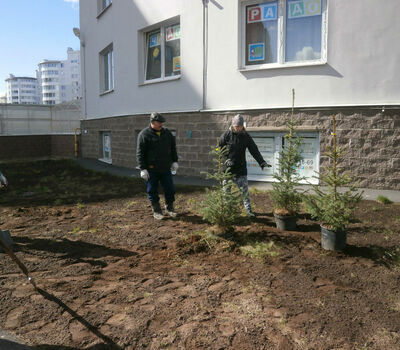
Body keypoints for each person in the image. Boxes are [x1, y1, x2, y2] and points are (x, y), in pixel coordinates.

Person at [219, 114, 271, 217]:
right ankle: (227, 211)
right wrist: (225, 159)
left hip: (240, 169)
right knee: (226, 193)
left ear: (243, 126)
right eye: (235, 126)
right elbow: (219, 149)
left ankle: (248, 211)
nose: (237, 128)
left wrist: (262, 162)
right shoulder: (226, 135)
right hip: (227, 170)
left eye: (239, 126)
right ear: (232, 125)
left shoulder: (246, 136)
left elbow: (254, 150)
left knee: (245, 192)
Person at [137, 112, 179, 220]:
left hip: (165, 168)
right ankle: (156, 210)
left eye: (162, 122)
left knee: (169, 188)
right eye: (159, 122)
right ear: (152, 122)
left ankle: (169, 208)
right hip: (151, 169)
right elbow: (140, 153)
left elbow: (173, 148)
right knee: (152, 190)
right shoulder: (144, 135)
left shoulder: (167, 133)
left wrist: (175, 161)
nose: (161, 124)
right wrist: (143, 168)